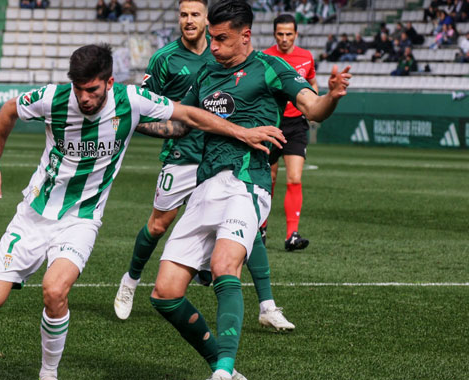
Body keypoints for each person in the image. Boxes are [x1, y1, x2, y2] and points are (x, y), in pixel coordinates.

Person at [0, 43, 285, 380]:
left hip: (82, 220)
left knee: (55, 291)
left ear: (109, 83)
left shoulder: (130, 100)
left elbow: (188, 114)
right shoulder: (53, 98)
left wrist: (242, 132)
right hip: (33, 214)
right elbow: (9, 110)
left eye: (91, 90)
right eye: (78, 89)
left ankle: (48, 374)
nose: (84, 98)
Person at [149, 1, 350, 379]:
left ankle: (223, 373)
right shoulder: (207, 70)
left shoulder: (271, 68)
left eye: (221, 39)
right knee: (165, 293)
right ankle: (225, 368)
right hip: (204, 185)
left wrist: (332, 97)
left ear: (245, 36)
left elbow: (312, 108)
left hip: (247, 184)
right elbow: (181, 123)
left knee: (226, 266)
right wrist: (131, 122)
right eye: (211, 38)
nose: (213, 47)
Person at [113, 0, 295, 333]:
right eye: (183, 14)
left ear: (208, 20)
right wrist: (130, 121)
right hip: (183, 155)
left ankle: (267, 305)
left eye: (195, 14)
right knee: (158, 225)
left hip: (227, 160)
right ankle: (130, 280)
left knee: (245, 227)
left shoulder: (226, 53)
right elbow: (146, 107)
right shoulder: (164, 58)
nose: (188, 20)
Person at [262, 13, 319, 251]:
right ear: (274, 34)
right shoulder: (264, 57)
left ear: (296, 34)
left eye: (289, 34)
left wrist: (314, 101)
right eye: (280, 34)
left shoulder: (306, 57)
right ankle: (260, 228)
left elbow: (312, 82)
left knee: (295, 178)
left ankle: (292, 235)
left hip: (296, 125)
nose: (284, 38)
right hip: (271, 124)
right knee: (269, 179)